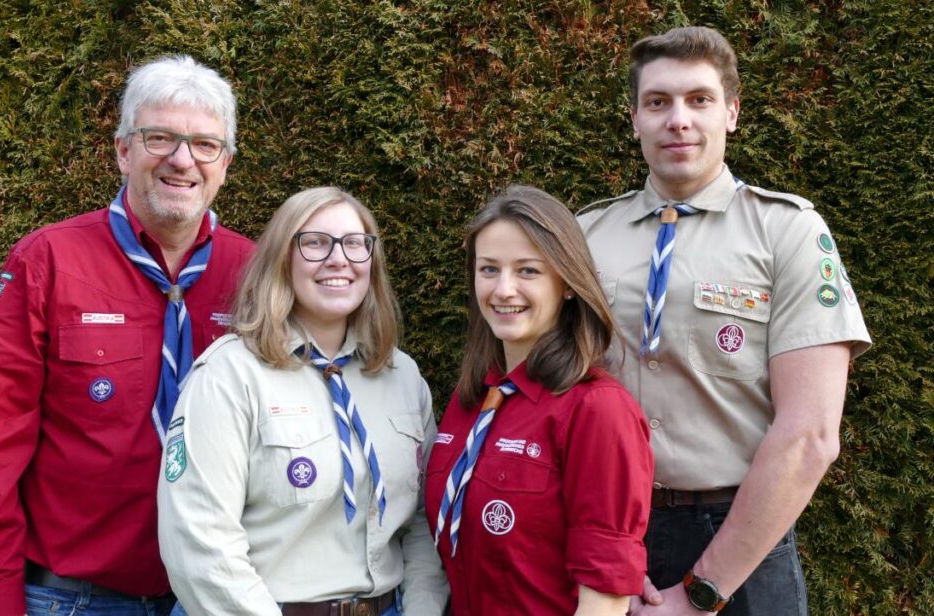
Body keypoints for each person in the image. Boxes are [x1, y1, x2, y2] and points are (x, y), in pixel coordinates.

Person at [577, 26, 872, 615]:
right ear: (634, 119)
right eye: (657, 102)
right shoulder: (584, 236)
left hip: (738, 546)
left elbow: (810, 435)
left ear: (732, 113)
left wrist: (704, 590)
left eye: (699, 100)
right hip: (610, 533)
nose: (677, 120)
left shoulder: (787, 230)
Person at [0, 55, 255, 616]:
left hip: (222, 597)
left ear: (225, 163)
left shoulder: (256, 272)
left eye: (205, 145)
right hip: (76, 601)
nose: (182, 160)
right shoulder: (48, 261)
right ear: (123, 150)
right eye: (160, 137)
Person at [157, 187, 448, 616]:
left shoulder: (401, 376)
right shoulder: (229, 376)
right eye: (314, 242)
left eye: (355, 243)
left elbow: (423, 521)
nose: (338, 259)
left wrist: (422, 610)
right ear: (282, 259)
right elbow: (200, 542)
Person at [426, 185, 654, 615]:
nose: (503, 289)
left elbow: (603, 598)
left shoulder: (598, 411)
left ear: (567, 283)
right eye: (489, 269)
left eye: (528, 271)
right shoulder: (471, 400)